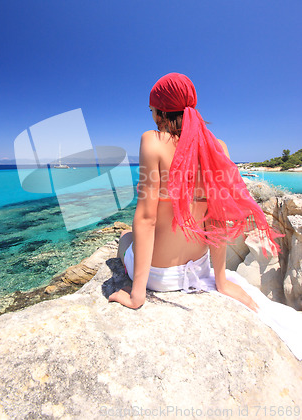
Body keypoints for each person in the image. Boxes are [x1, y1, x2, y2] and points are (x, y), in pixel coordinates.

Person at [108, 73, 279, 312]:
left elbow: (147, 219)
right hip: (199, 270)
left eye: (152, 110)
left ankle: (137, 283)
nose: (153, 117)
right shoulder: (219, 147)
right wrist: (221, 281)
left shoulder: (152, 141)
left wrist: (137, 295)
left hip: (158, 277)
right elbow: (216, 219)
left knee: (126, 236)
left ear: (163, 111)